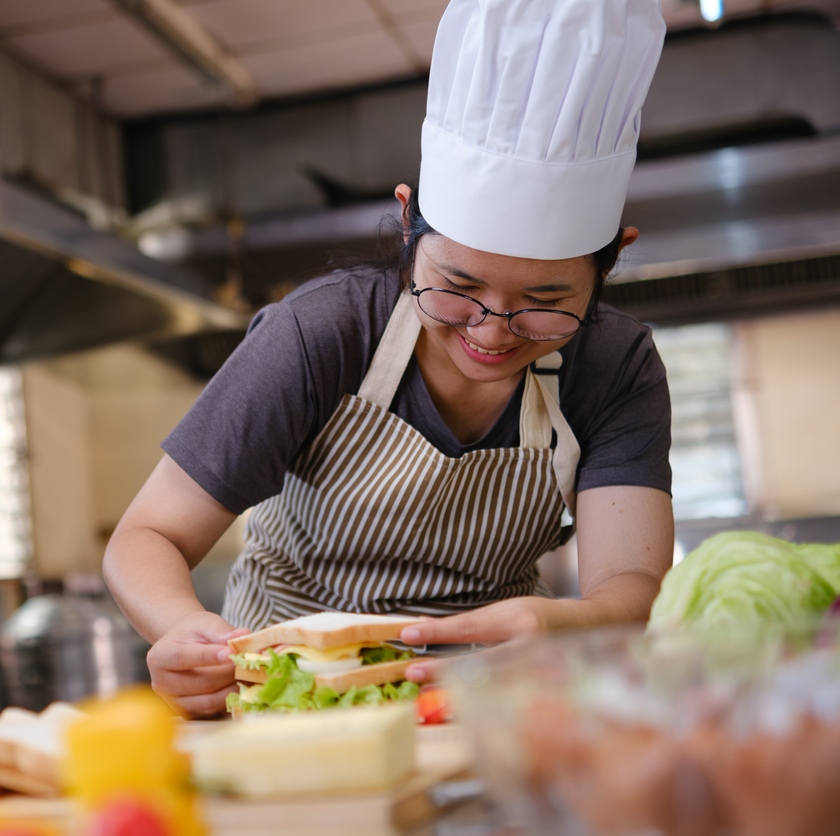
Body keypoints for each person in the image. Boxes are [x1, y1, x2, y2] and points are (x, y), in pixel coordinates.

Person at [104, 0, 673, 718]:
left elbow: (629, 582)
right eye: (457, 288)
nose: (493, 333)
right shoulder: (320, 333)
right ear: (408, 222)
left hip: (489, 707)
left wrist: (574, 625)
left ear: (613, 257)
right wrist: (186, 634)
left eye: (544, 301)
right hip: (294, 697)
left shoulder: (615, 365)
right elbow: (145, 535)